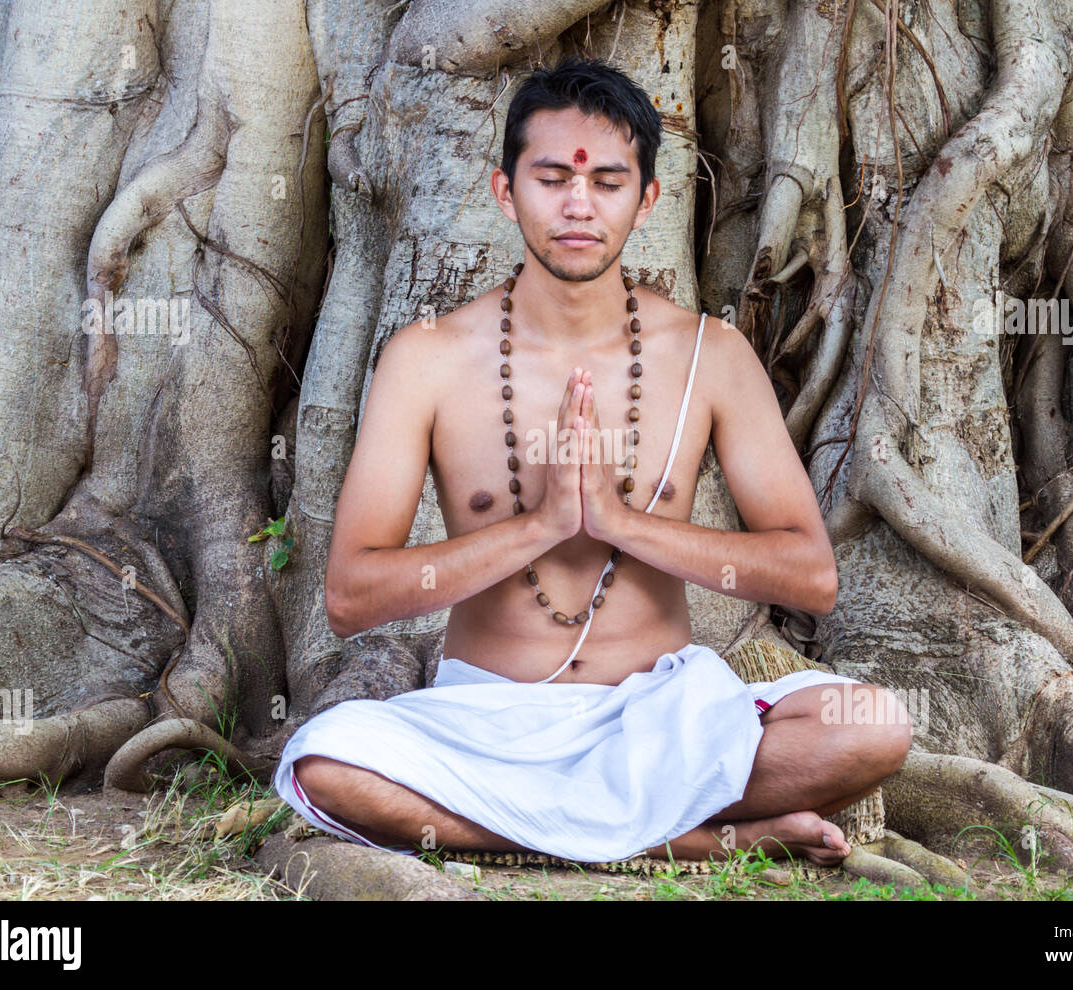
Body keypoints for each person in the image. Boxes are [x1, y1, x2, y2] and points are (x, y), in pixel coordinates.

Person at [276, 55, 912, 867]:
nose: (578, 205)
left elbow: (809, 577)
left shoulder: (708, 355)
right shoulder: (426, 360)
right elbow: (350, 596)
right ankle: (684, 840)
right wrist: (540, 526)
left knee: (874, 727)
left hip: (662, 719)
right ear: (506, 191)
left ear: (648, 200)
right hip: (488, 726)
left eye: (608, 182)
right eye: (551, 178)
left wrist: (619, 523)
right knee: (326, 765)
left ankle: (585, 828)